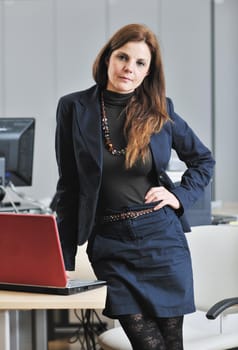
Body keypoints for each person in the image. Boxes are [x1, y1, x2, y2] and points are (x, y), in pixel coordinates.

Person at [55, 23, 215, 350]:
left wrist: (178, 196)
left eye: (140, 63)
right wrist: (64, 259)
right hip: (111, 246)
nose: (129, 67)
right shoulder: (74, 108)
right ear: (107, 59)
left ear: (148, 72)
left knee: (171, 344)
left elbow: (203, 160)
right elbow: (69, 187)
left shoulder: (159, 111)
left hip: (161, 240)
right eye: (123, 57)